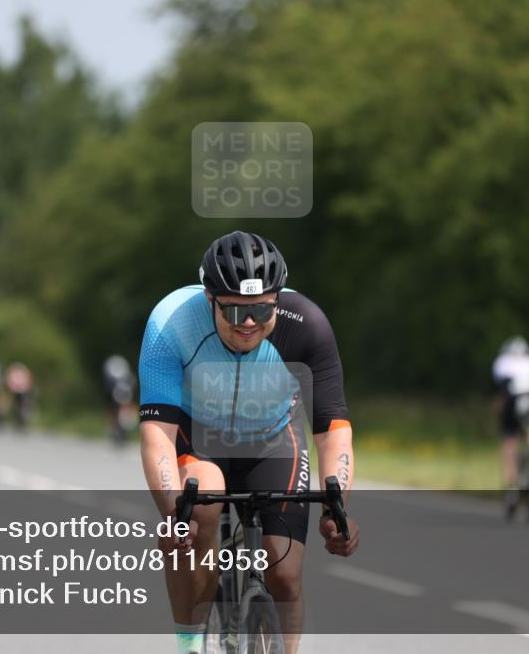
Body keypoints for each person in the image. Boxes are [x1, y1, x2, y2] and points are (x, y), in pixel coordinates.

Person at [139, 231, 359, 654]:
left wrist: (339, 509)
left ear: (277, 299)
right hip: (198, 435)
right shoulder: (172, 323)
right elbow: (157, 436)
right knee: (199, 508)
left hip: (272, 437)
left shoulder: (306, 325)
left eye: (261, 309)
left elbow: (333, 430)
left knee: (286, 575)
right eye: (235, 312)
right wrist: (173, 510)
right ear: (209, 300)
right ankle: (190, 644)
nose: (250, 323)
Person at [492, 336, 529, 516]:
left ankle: (512, 488)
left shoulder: (502, 363)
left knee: (509, 439)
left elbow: (501, 396)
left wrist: (498, 415)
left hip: (513, 397)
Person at [102, 354, 137, 444]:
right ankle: (113, 428)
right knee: (113, 410)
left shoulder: (128, 378)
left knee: (121, 410)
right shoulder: (112, 381)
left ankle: (121, 429)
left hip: (124, 398)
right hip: (117, 398)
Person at [3, 361, 34, 429]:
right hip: (18, 392)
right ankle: (18, 417)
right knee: (17, 405)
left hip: (22, 392)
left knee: (22, 404)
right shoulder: (19, 372)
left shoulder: (19, 372)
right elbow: (10, 382)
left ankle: (22, 417)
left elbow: (28, 381)